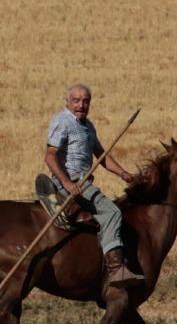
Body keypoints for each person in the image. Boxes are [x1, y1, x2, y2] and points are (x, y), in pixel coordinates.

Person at [44, 83, 144, 290]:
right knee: (112, 212)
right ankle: (116, 269)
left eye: (85, 101)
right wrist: (67, 183)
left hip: (82, 183)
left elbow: (102, 157)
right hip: (72, 182)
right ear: (67, 102)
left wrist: (124, 174)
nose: (81, 105)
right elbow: (50, 156)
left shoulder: (88, 126)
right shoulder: (62, 121)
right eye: (76, 100)